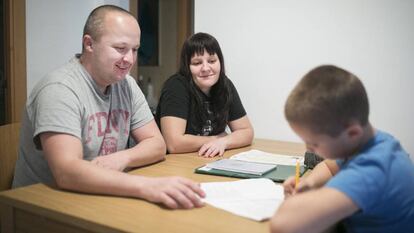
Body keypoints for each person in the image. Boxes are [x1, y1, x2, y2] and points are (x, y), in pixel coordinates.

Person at [12, 5, 205, 209]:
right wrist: (147, 186)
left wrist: (122, 158)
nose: (130, 59)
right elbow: (67, 172)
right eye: (120, 48)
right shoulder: (59, 89)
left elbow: (156, 144)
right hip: (42, 207)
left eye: (135, 50)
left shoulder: (126, 85)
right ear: (89, 44)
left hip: (97, 196)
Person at [270, 65, 414, 233]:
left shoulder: (372, 171)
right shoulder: (378, 143)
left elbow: (283, 225)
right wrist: (309, 184)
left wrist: (298, 202)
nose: (308, 149)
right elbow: (329, 166)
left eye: (314, 144)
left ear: (352, 133)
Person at [155, 32, 254, 157]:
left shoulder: (225, 84)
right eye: (197, 63)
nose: (206, 68)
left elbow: (247, 132)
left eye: (212, 61)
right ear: (187, 66)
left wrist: (225, 141)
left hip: (208, 160)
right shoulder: (176, 86)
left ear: (220, 62)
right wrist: (217, 138)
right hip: (175, 164)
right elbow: (174, 144)